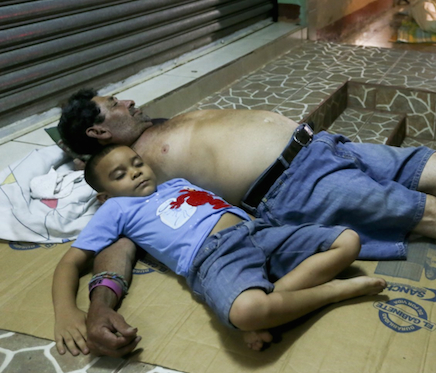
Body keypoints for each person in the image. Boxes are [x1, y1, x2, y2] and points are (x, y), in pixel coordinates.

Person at [57, 89, 436, 356]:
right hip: (292, 185)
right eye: (114, 105)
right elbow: (121, 237)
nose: (128, 101)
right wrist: (97, 304)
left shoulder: (155, 128)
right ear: (98, 132)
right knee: (434, 215)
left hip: (323, 147)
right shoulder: (130, 175)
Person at [52, 144, 386, 356]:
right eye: (120, 174)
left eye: (136, 162)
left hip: (257, 232)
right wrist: (66, 311)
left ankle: (274, 305)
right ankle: (333, 291)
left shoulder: (175, 183)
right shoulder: (115, 209)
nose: (135, 172)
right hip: (212, 257)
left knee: (348, 240)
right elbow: (70, 263)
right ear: (105, 196)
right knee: (246, 312)